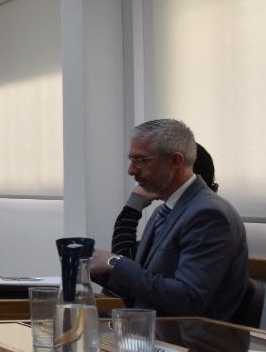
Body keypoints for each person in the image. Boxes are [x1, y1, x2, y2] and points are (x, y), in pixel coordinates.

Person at [90, 119, 250, 321]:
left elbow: (188, 300)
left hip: (188, 338)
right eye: (131, 159)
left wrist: (114, 262)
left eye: (141, 160)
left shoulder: (209, 214)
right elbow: (145, 286)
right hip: (150, 330)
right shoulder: (165, 210)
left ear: (175, 161)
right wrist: (96, 269)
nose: (131, 170)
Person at [111, 142, 217, 260]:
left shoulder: (198, 219)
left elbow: (124, 259)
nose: (132, 171)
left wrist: (134, 204)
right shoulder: (177, 212)